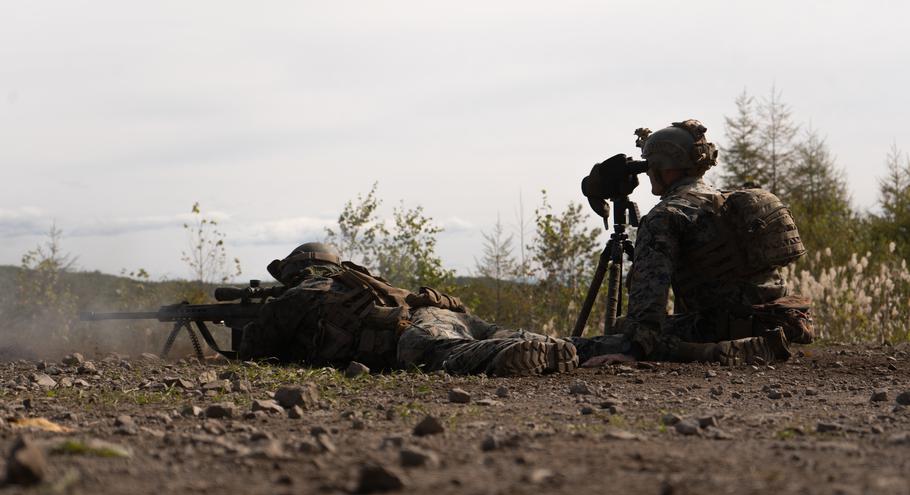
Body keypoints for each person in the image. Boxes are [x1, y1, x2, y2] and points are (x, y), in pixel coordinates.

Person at [572, 120, 814, 366]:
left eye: (650, 165)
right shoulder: (727, 203)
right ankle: (752, 344)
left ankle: (711, 351)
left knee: (587, 345)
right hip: (768, 321)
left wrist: (632, 351)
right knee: (623, 325)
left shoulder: (665, 216)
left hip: (715, 327)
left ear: (660, 167)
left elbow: (648, 302)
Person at [239, 243, 578, 375]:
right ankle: (591, 349)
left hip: (411, 333)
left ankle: (510, 354)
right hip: (445, 314)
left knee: (448, 353)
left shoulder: (302, 293)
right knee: (503, 332)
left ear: (296, 270)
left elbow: (255, 349)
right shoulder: (364, 279)